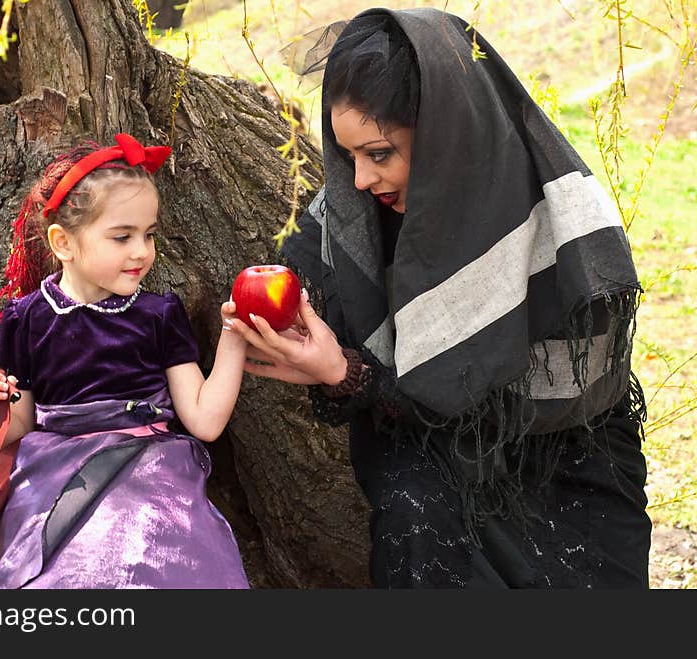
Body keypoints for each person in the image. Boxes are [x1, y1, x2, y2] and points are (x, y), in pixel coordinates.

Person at [229, 8, 652, 588]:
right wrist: (326, 362)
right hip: (431, 459)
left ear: (450, 132)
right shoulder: (353, 217)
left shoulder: (552, 216)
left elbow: (560, 393)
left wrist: (349, 373)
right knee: (418, 519)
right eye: (347, 156)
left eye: (380, 154)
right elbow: (321, 324)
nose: (358, 182)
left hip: (566, 463)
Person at [0, 134, 250, 589]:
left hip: (150, 471)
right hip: (55, 474)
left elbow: (204, 420)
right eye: (122, 236)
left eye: (149, 235)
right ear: (64, 243)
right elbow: (20, 421)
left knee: (157, 560)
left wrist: (234, 338)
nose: (141, 251)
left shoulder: (159, 315)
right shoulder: (27, 318)